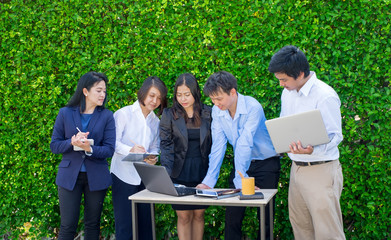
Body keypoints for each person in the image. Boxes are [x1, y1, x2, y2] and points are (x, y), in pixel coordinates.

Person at [268, 45, 346, 240]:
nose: (281, 84)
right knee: (301, 229)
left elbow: (336, 135)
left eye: (284, 79)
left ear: (300, 73)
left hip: (321, 170)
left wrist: (312, 149)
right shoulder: (287, 93)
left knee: (328, 233)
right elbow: (285, 123)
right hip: (297, 169)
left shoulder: (325, 95)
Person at [196, 71, 280, 240]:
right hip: (242, 164)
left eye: (219, 99)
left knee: (265, 217)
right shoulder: (217, 111)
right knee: (232, 214)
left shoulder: (253, 107)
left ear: (232, 92)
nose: (215, 103)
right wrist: (208, 182)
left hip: (266, 163)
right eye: (212, 99)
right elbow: (218, 146)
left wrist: (240, 180)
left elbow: (244, 143)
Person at [50, 71, 116, 240]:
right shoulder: (65, 113)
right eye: (98, 90)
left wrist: (89, 148)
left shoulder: (107, 116)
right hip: (69, 176)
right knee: (67, 226)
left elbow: (109, 149)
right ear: (85, 91)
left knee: (93, 224)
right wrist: (71, 142)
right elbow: (54, 145)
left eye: (104, 91)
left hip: (96, 176)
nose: (103, 94)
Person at [110, 76, 167, 240]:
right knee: (125, 227)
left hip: (145, 177)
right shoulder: (123, 114)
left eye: (159, 98)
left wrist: (153, 157)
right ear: (143, 93)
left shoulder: (155, 121)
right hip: (123, 176)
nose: (155, 101)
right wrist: (131, 149)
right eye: (152, 95)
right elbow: (112, 143)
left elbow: (156, 146)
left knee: (146, 226)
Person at [160, 73, 212, 240]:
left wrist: (211, 175)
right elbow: (166, 145)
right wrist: (166, 174)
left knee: (198, 215)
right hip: (178, 171)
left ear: (195, 93)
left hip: (202, 172)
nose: (183, 98)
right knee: (183, 216)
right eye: (179, 94)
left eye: (187, 94)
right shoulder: (169, 114)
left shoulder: (208, 112)